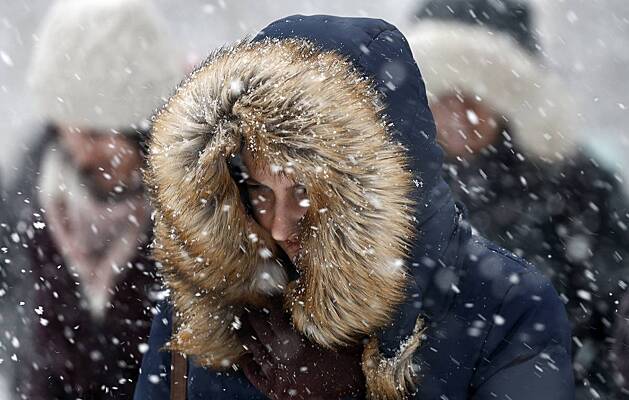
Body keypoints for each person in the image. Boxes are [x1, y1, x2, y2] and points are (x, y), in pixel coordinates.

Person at [134, 15, 574, 399]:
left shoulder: (508, 307)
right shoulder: (204, 303)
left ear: (371, 192)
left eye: (304, 195)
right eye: (259, 194)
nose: (281, 227)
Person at [406, 1, 629, 398]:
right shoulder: (384, 184)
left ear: (509, 101)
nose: (458, 113)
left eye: (474, 94)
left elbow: (614, 320)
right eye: (440, 93)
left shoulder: (578, 189)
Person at [9, 0, 181, 398]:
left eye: (109, 132)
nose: (93, 152)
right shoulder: (24, 197)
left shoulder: (196, 214)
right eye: (80, 131)